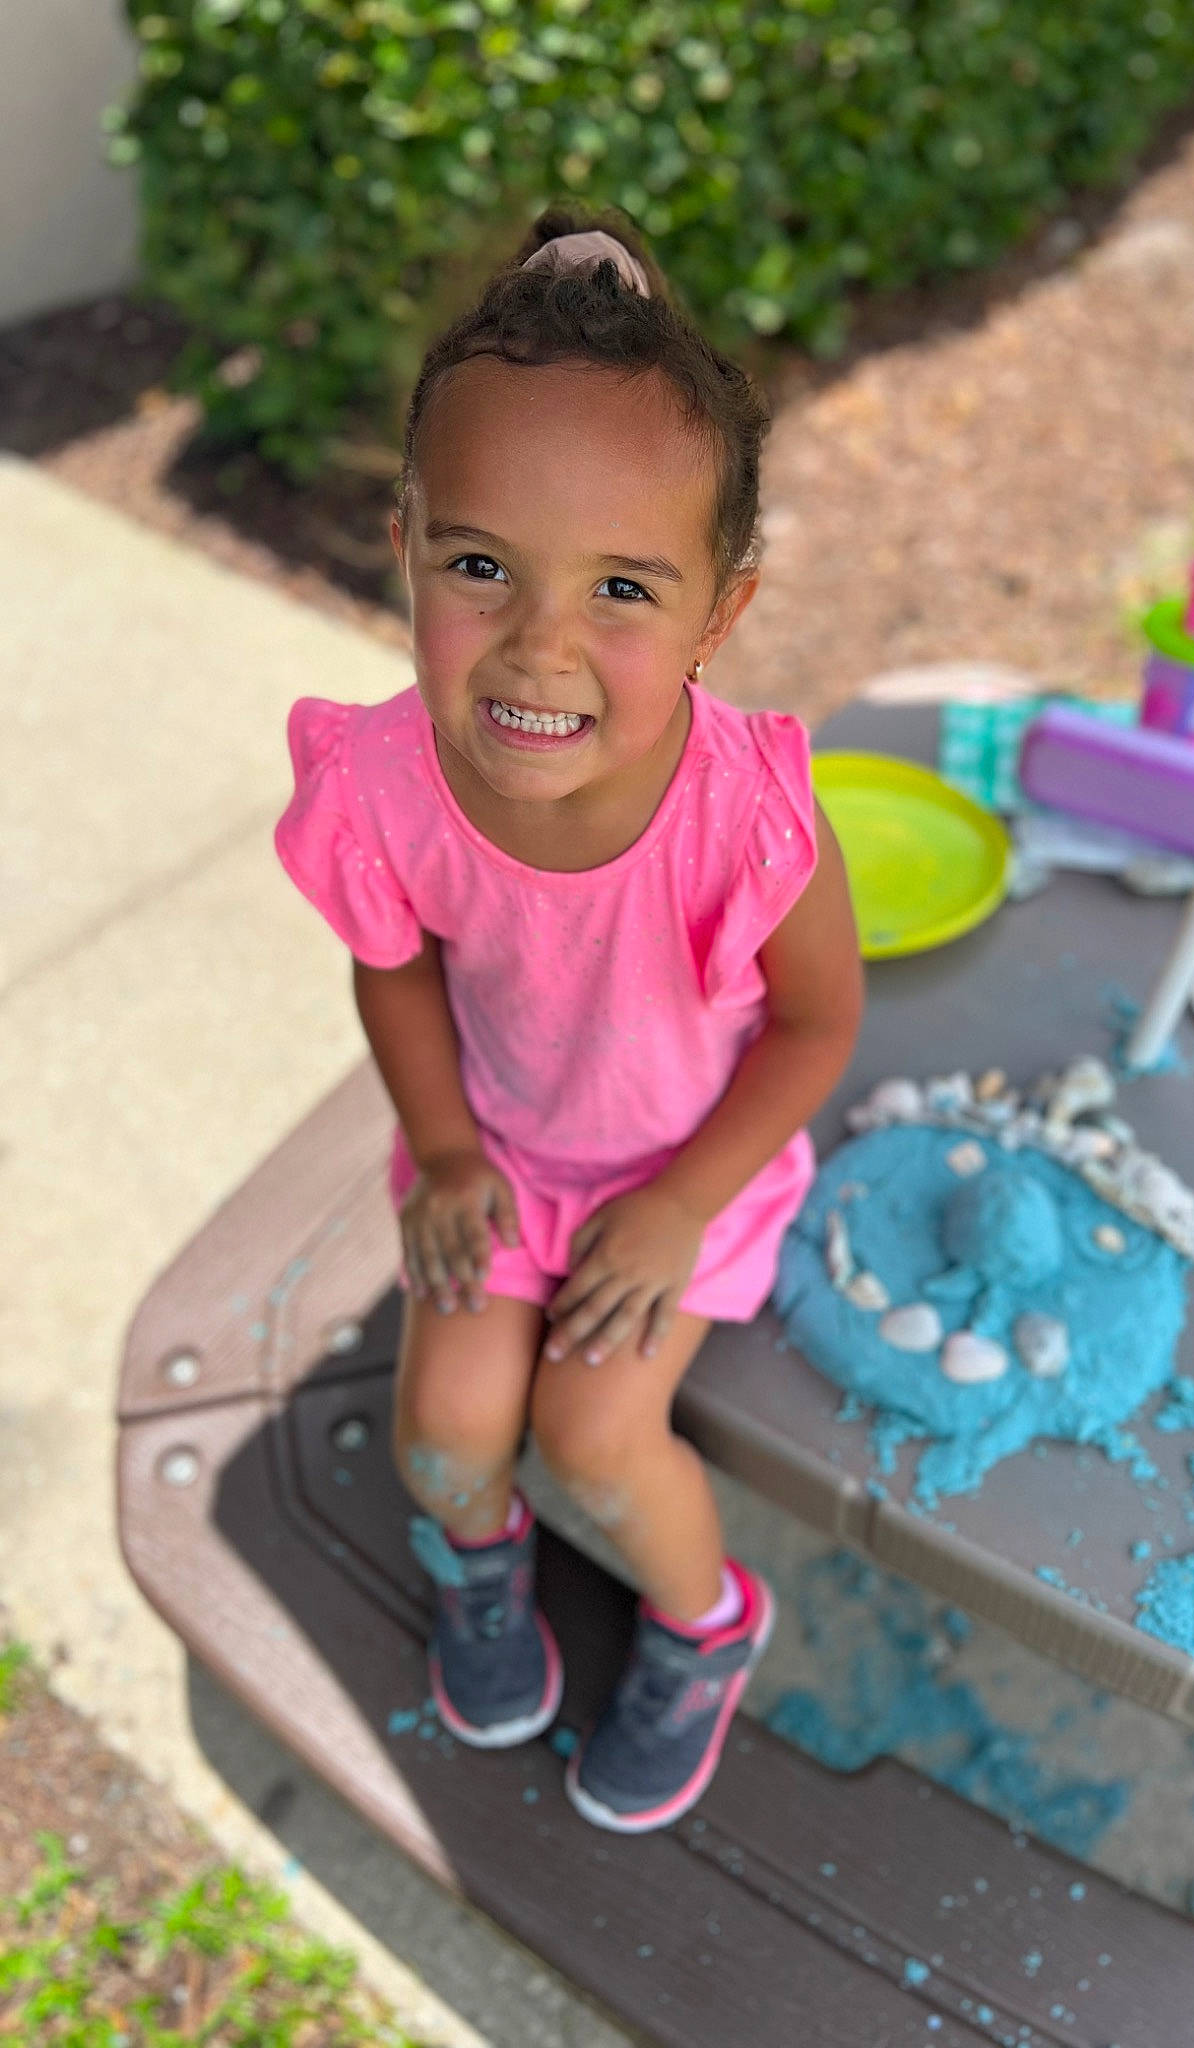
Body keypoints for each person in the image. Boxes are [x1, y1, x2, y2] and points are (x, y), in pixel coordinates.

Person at [274, 204, 864, 1834]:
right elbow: (390, 961)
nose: (539, 645)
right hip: (504, 1158)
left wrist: (679, 1206)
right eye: (481, 565)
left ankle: (703, 1627)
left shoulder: (744, 816)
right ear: (404, 541)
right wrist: (446, 1151)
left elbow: (818, 1023)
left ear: (718, 614)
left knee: (597, 1441)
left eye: (621, 586)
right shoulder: (385, 783)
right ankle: (480, 1571)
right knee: (448, 1430)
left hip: (686, 1172)